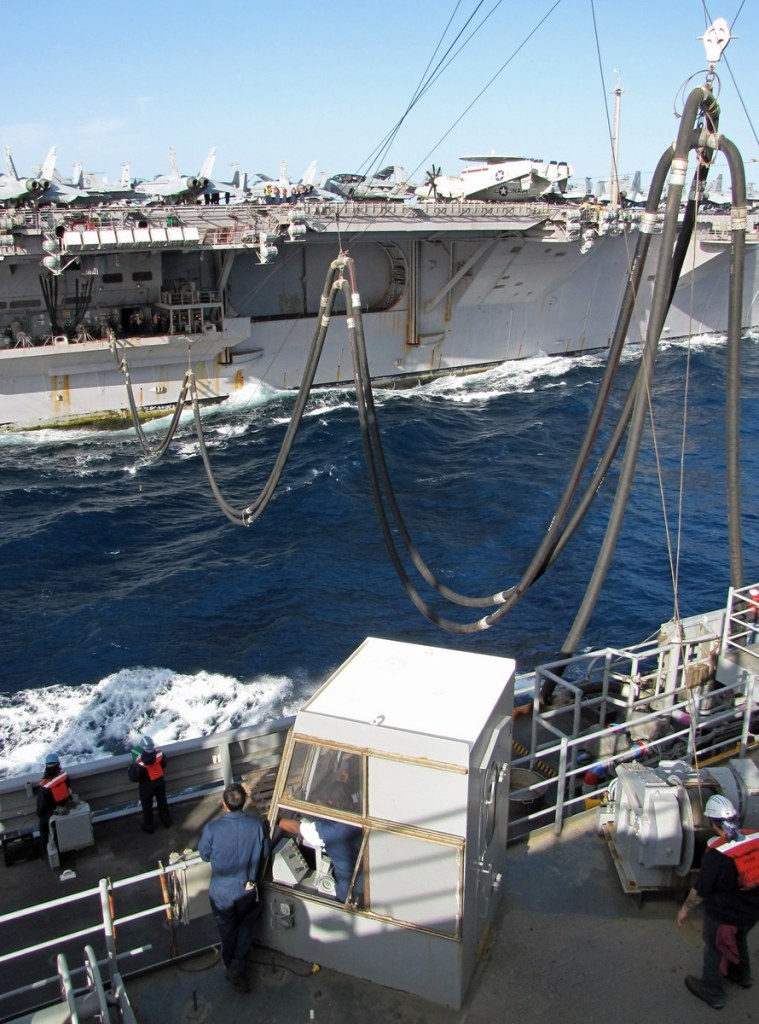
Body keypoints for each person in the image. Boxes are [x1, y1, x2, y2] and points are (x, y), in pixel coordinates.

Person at [678, 793, 759, 1008]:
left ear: (713, 823)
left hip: (723, 916)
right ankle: (742, 975)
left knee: (714, 950)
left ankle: (711, 992)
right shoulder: (756, 838)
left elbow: (700, 890)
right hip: (752, 913)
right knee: (740, 939)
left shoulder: (716, 856)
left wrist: (685, 909)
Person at [199, 783, 270, 993]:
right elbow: (265, 853)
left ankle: (230, 964)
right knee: (247, 926)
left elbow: (204, 855)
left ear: (224, 804)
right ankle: (237, 966)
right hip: (247, 889)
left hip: (222, 892)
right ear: (244, 802)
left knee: (227, 929)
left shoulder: (212, 829)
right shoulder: (256, 826)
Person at [278, 780, 363, 905]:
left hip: (349, 890)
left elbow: (297, 828)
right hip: (364, 879)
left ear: (331, 803)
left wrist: (277, 820)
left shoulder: (331, 830)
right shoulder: (358, 812)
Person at [128, 735, 171, 833]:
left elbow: (134, 777)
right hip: (160, 782)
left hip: (146, 786)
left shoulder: (139, 763)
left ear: (143, 748)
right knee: (162, 802)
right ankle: (166, 822)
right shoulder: (160, 755)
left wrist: (130, 769)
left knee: (147, 806)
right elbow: (164, 763)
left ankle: (149, 826)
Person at [36, 752, 72, 851]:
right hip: (66, 805)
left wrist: (40, 814)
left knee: (43, 826)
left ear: (46, 766)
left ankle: (46, 848)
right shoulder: (64, 776)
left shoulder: (44, 786)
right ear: (58, 764)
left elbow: (41, 806)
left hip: (51, 811)